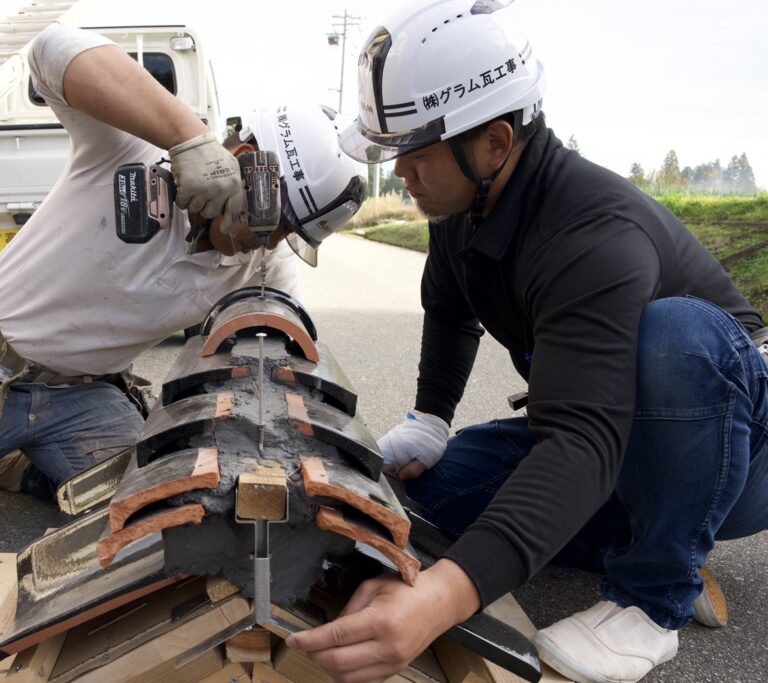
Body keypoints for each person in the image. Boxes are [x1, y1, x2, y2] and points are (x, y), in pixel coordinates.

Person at [286, 2, 768, 682]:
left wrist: (441, 599)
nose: (401, 175)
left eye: (415, 154)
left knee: (675, 337)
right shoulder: (463, 205)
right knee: (436, 494)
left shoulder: (592, 232)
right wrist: (429, 417)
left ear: (495, 142)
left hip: (733, 448)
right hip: (614, 428)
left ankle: (656, 596)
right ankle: (654, 537)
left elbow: (581, 441)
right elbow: (451, 310)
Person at [0, 25, 366, 557]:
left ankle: (12, 462)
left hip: (83, 397)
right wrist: (187, 137)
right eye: (270, 219)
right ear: (242, 160)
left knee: (157, 506)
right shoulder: (132, 150)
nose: (266, 242)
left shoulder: (261, 266)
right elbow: (50, 49)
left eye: (287, 234)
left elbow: (281, 352)